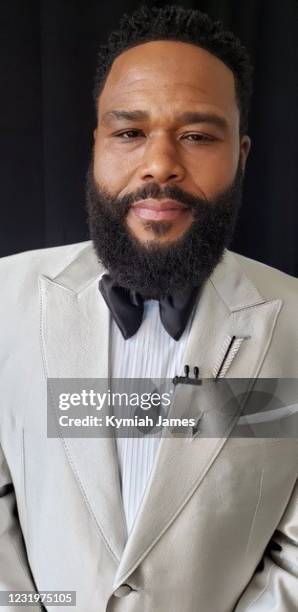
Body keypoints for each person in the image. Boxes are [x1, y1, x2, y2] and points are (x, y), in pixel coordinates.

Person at [0, 5, 297, 611]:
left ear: (241, 154)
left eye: (197, 135)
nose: (160, 163)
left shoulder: (293, 319)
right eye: (130, 132)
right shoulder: (5, 298)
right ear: (96, 145)